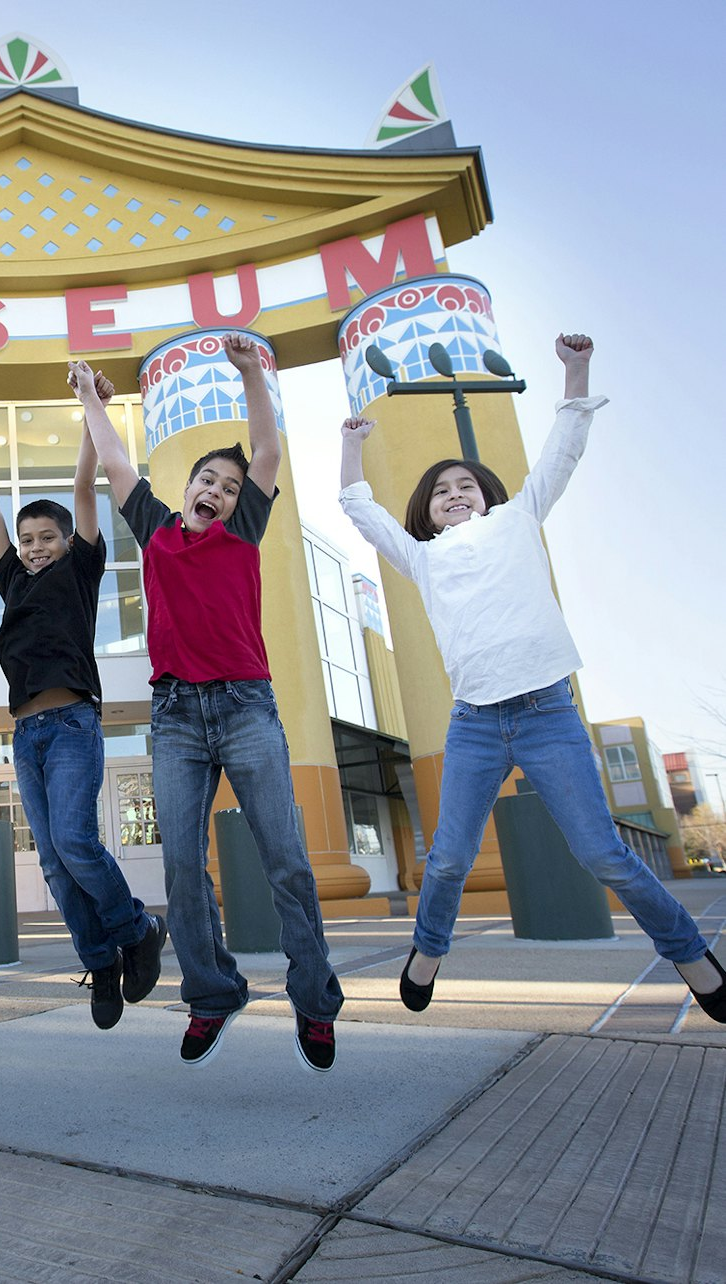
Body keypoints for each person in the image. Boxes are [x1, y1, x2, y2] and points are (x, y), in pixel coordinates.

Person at [339, 333, 725, 1023]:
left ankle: (692, 956)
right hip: (476, 723)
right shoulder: (423, 558)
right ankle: (428, 950)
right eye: (441, 493)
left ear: (488, 496)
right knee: (450, 858)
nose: (454, 495)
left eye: (466, 487)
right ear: (426, 515)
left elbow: (561, 454)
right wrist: (353, 444)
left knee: (603, 855)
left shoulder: (518, 518)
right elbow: (360, 507)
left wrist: (576, 372)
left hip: (548, 713)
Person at [74, 335, 343, 1070]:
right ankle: (212, 992)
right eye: (207, 480)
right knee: (183, 866)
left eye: (227, 486)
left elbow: (266, 454)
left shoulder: (244, 529)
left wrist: (254, 374)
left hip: (247, 708)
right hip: (175, 719)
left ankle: (314, 1002)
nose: (218, 490)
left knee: (285, 858)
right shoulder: (157, 532)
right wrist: (91, 399)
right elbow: (119, 462)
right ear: (186, 487)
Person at [0, 380, 166, 1032]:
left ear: (68, 543)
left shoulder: (81, 572)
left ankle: (137, 927)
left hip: (72, 723)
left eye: (46, 537)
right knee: (51, 861)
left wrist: (87, 412)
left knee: (73, 838)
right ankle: (100, 960)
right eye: (28, 538)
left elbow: (85, 491)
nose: (35, 546)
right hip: (27, 733)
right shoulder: (13, 578)